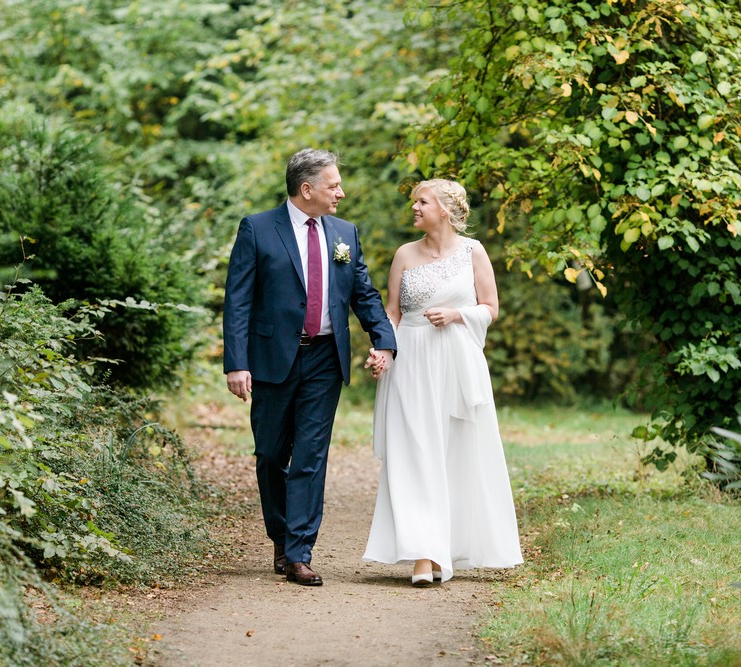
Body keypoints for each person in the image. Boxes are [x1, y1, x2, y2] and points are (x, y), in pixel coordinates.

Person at [223, 148, 396, 587]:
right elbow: (238, 300)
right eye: (333, 184)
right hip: (271, 360)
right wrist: (236, 363)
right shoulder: (258, 229)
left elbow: (364, 293)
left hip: (324, 357)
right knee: (270, 454)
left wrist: (385, 340)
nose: (341, 192)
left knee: (311, 455)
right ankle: (280, 538)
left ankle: (300, 551)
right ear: (307, 189)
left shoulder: (345, 233)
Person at [362, 178, 523, 586]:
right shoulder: (403, 254)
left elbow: (491, 307)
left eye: (422, 201)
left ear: (445, 210)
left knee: (453, 451)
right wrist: (383, 350)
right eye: (415, 201)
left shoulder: (473, 252)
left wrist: (457, 315)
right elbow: (392, 313)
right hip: (411, 361)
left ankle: (447, 546)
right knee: (414, 452)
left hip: (455, 361)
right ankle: (423, 553)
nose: (414, 207)